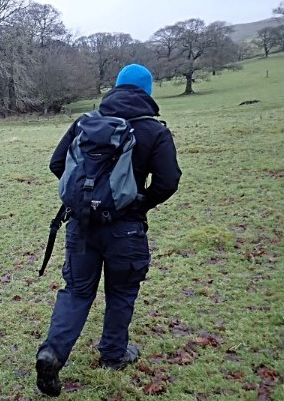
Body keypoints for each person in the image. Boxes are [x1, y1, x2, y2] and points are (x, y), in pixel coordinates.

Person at [35, 64, 182, 396]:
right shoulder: (154, 131)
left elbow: (57, 164)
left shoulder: (86, 123)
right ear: (148, 91)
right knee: (121, 293)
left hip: (81, 225)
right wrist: (139, 203)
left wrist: (86, 197)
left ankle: (52, 353)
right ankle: (114, 353)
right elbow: (169, 181)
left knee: (76, 291)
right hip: (126, 232)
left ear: (115, 88)